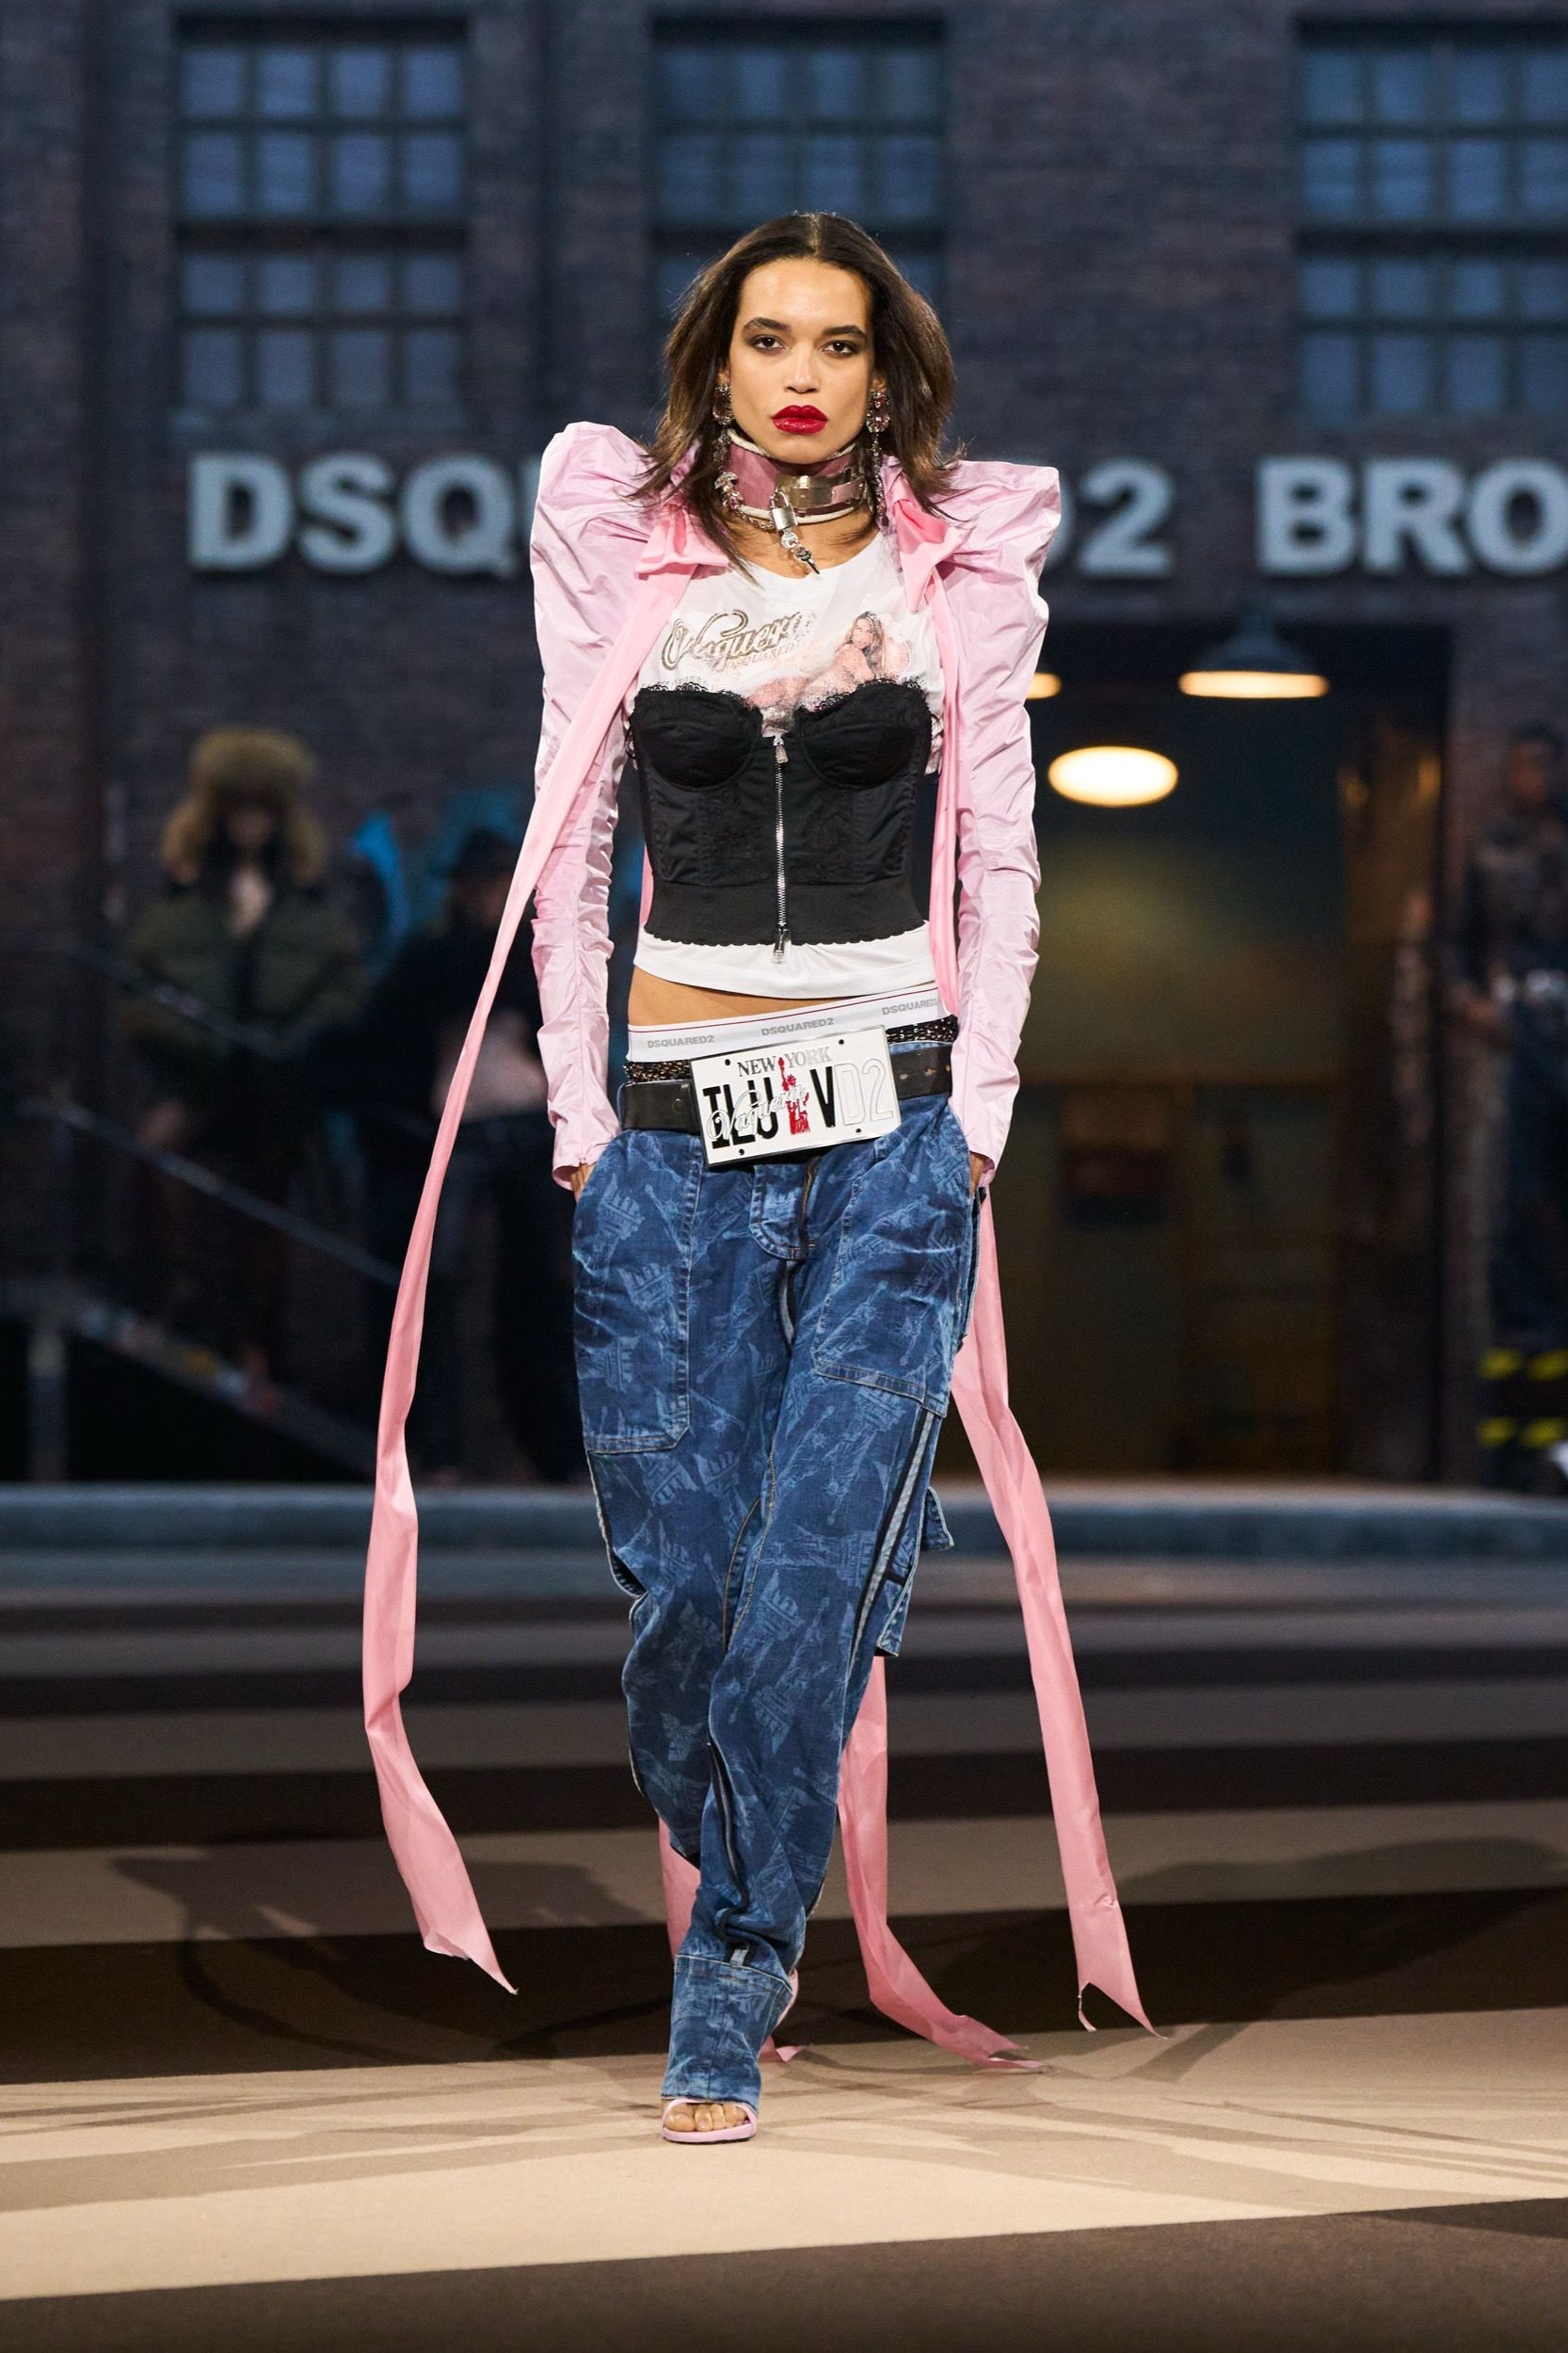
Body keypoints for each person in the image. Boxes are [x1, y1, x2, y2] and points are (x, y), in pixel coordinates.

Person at [362, 212, 1147, 2145]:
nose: (802, 374)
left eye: (840, 344)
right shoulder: (623, 550)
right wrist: (575, 1108)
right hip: (668, 1127)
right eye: (768, 337)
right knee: (688, 1584)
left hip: (894, 1123)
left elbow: (999, 851)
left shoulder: (956, 570)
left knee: (807, 1573)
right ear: (713, 359)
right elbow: (567, 839)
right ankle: (747, 1830)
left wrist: (979, 1111)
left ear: (888, 377)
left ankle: (731, 1968)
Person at [123, 727, 363, 1374]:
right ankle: (178, 1291)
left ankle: (258, 1334)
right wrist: (195, 1041)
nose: (250, 823)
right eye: (239, 810)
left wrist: (292, 1041)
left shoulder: (303, 902)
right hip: (201, 1076)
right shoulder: (187, 899)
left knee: (268, 1194)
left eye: (261, 810)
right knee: (155, 1152)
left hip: (274, 1082)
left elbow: (339, 988)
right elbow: (144, 986)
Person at [353, 825, 580, 1482]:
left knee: (542, 1288)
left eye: (499, 883)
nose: (488, 895)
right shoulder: (435, 959)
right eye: (479, 884)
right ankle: (442, 1448)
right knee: (438, 1284)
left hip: (524, 1129)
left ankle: (555, 1450)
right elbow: (391, 1039)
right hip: (459, 1132)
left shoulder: (535, 956)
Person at [1453, 721, 1568, 1486]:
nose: (1536, 778)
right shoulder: (1492, 850)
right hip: (1516, 1039)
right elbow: (1456, 948)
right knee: (1514, 1216)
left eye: (1547, 766)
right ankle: (1513, 1442)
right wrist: (1473, 1005)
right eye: (1524, 766)